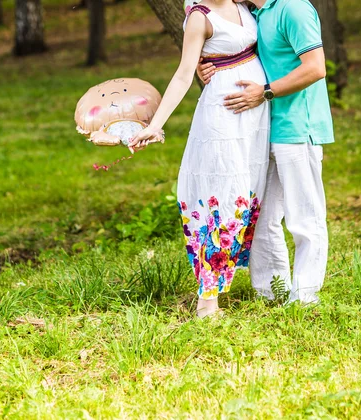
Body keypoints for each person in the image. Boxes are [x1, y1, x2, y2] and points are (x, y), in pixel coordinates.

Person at [130, 0, 270, 318]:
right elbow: (182, 75)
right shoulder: (199, 17)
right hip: (223, 114)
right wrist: (155, 125)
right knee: (218, 198)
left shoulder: (241, 3)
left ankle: (249, 279)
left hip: (253, 116)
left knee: (247, 191)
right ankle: (207, 302)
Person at [198, 0, 334, 304]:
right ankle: (273, 292)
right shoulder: (252, 14)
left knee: (304, 217)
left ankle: (304, 298)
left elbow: (315, 67)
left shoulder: (293, 8)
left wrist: (266, 91)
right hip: (263, 128)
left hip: (299, 127)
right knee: (261, 217)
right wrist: (206, 65)